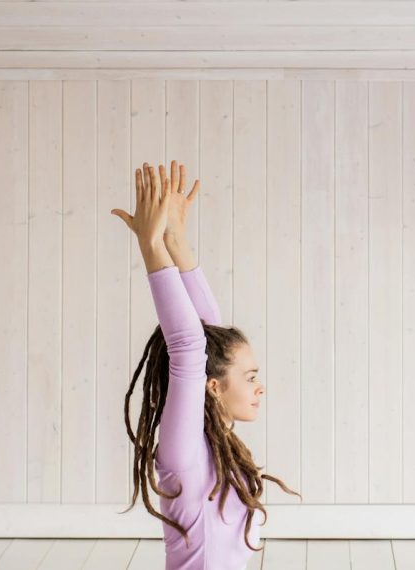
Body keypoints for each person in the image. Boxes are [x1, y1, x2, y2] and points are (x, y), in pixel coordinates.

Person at [111, 160, 301, 570]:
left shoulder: (217, 443)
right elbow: (189, 345)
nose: (259, 387)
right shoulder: (184, 453)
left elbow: (206, 335)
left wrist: (176, 240)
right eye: (249, 378)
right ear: (212, 386)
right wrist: (152, 247)